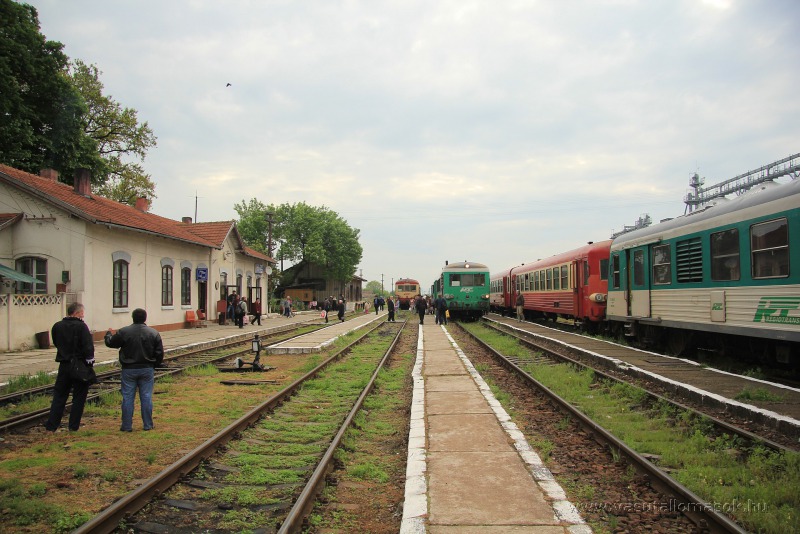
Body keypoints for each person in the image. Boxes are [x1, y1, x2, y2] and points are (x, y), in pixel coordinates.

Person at [104, 308, 164, 432]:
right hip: (147, 368)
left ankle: (126, 426)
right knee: (146, 396)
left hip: (129, 369)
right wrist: (154, 364)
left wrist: (108, 335)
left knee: (127, 397)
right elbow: (159, 353)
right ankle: (148, 424)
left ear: (133, 317)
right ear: (145, 318)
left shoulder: (124, 332)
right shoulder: (153, 333)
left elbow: (111, 343)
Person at [45, 302, 95, 432]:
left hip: (64, 364)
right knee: (79, 397)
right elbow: (88, 346)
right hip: (79, 365)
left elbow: (56, 342)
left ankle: (52, 426)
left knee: (59, 396)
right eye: (82, 312)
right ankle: (73, 426)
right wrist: (89, 362)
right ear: (77, 313)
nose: (83, 315)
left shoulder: (57, 326)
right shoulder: (82, 326)